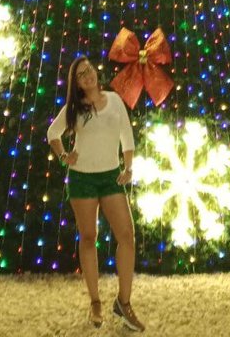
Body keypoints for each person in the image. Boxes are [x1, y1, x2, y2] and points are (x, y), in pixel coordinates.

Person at [47, 55, 145, 331]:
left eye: (89, 69)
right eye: (81, 74)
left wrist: (128, 167)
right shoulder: (74, 109)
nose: (88, 74)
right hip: (82, 181)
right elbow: (52, 133)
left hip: (110, 177)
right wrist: (64, 155)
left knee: (126, 235)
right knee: (88, 237)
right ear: (76, 84)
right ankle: (95, 301)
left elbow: (127, 136)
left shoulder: (114, 100)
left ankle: (123, 302)